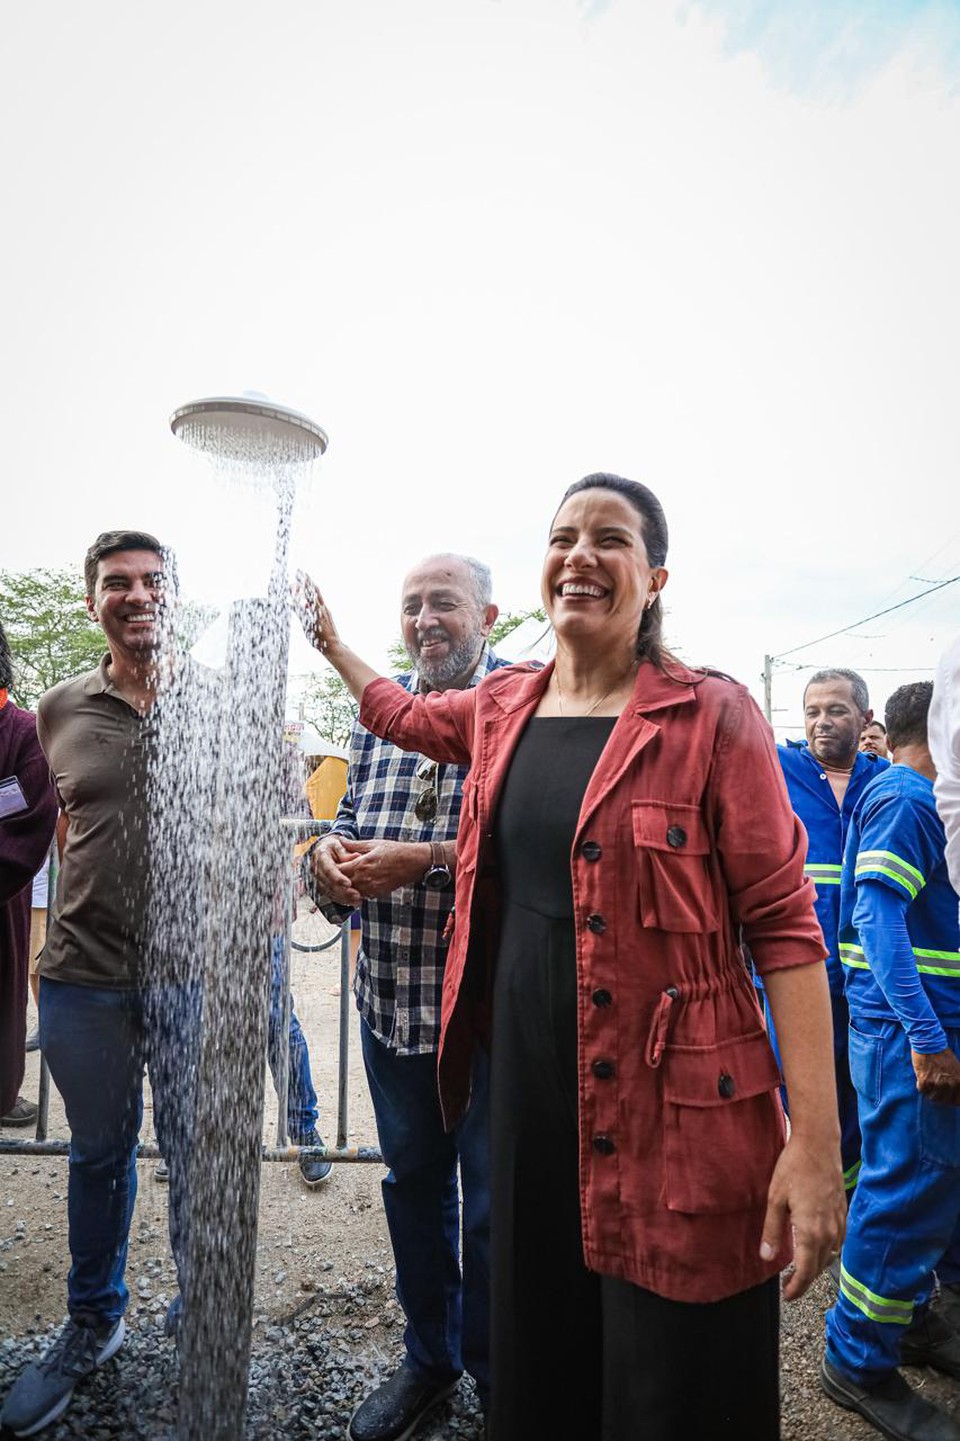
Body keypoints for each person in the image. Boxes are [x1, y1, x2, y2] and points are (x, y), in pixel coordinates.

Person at [299, 475, 845, 1440]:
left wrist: (814, 1139)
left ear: (655, 574)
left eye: (611, 538)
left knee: (670, 1371)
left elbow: (786, 925)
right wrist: (335, 643)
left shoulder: (713, 716)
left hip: (674, 1099)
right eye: (563, 535)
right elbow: (398, 714)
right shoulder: (501, 705)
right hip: (527, 1099)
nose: (581, 554)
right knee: (542, 1345)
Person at [0, 531, 208, 1439]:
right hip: (83, 978)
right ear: (93, 602)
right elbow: (39, 824)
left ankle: (204, 1309)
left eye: (153, 581)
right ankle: (94, 1320)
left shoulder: (216, 702)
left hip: (192, 979)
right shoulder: (55, 710)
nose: (137, 594)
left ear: (173, 595)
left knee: (201, 1155)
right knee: (96, 1156)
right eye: (117, 582)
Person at [303, 553, 506, 1441]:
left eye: (444, 604)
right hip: (390, 1014)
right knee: (413, 1191)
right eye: (412, 605)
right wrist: (327, 867)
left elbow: (533, 856)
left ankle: (506, 1382)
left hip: (489, 1025)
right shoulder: (377, 722)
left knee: (498, 1211)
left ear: (488, 615)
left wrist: (419, 860)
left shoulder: (516, 712)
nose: (426, 619)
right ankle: (431, 1361)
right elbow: (343, 831)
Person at [822, 682, 960, 1441]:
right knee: (903, 1192)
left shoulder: (921, 798)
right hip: (908, 1037)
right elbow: (877, 921)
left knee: (930, 1190)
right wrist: (930, 1039)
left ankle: (905, 1323)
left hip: (921, 1031)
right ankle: (855, 1358)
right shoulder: (908, 799)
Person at [772, 669, 888, 1198]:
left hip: (869, 969)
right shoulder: (779, 768)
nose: (822, 722)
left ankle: (860, 1180)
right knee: (803, 1079)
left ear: (864, 718)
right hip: (797, 964)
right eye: (813, 711)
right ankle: (832, 1180)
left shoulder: (883, 781)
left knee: (866, 1080)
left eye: (836, 711)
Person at [0, 619, 58, 1127]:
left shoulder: (23, 733)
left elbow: (30, 822)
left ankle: (2, 1094)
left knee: (5, 993)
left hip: (3, 898)